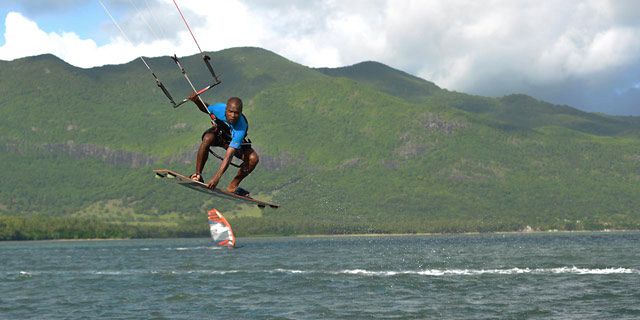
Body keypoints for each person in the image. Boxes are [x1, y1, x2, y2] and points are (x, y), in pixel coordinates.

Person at [188, 95, 259, 197]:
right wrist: (197, 101)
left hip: (233, 144)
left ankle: (233, 186)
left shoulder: (241, 128)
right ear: (226, 109)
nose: (233, 115)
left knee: (253, 159)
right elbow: (206, 108)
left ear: (241, 112)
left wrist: (217, 177)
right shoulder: (218, 108)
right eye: (230, 112)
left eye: (237, 113)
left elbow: (229, 155)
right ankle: (198, 174)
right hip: (219, 137)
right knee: (207, 138)